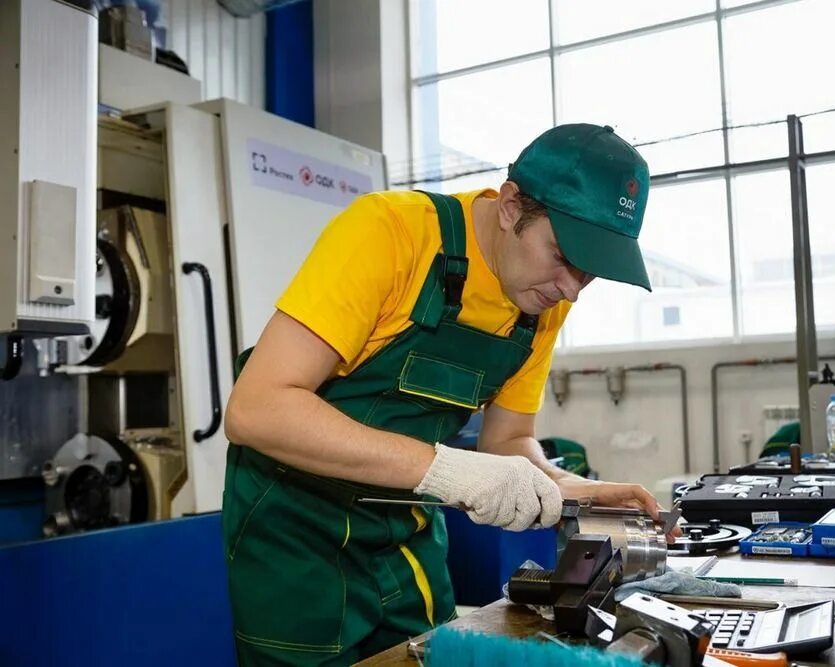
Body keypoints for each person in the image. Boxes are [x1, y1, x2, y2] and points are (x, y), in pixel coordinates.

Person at [222, 123, 671, 665]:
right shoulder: (390, 233)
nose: (572, 289)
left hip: (405, 537)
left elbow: (508, 440)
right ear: (510, 207)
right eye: (562, 255)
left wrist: (567, 487)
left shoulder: (545, 297)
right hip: (295, 539)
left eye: (591, 272)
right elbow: (257, 409)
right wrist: (449, 473)